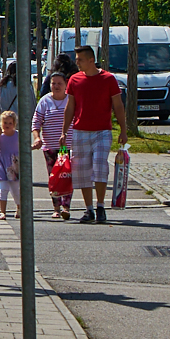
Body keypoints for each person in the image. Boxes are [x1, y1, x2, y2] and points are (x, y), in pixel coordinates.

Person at [65, 43, 131, 224]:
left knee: (100, 167)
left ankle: (101, 206)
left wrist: (123, 130)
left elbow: (118, 105)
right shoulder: (74, 80)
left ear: (91, 60)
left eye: (80, 60)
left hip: (102, 131)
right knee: (82, 171)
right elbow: (70, 107)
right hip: (80, 132)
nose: (77, 63)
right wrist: (65, 131)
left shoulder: (108, 79)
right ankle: (89, 209)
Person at [32, 70, 73, 219]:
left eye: (59, 83)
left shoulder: (71, 100)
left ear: (66, 84)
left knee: (67, 177)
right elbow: (36, 122)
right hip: (50, 147)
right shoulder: (44, 101)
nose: (56, 86)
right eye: (53, 83)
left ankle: (66, 207)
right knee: (54, 177)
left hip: (68, 147)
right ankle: (56, 207)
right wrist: (37, 138)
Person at [0, 110, 20, 219]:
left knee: (15, 189)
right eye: (5, 123)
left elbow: (24, 146)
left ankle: (19, 207)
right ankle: (2, 211)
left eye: (10, 123)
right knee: (3, 188)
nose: (7, 125)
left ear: (14, 124)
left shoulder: (17, 135)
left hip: (14, 164)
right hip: (2, 163)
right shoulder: (0, 135)